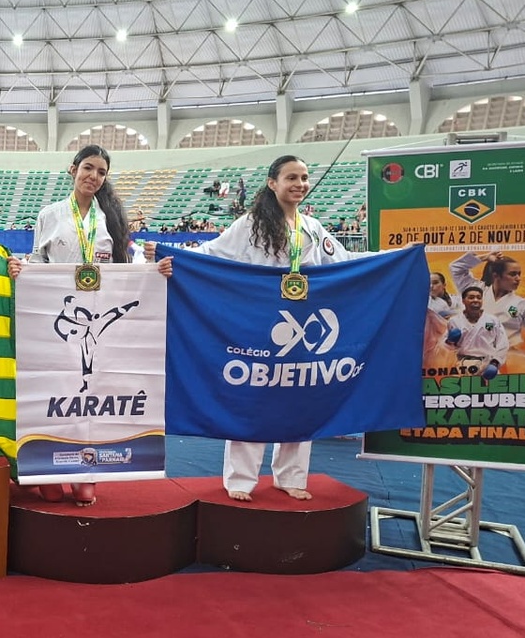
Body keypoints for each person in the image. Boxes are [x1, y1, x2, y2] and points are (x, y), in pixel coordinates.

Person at [146, 154, 378, 503]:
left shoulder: (312, 228)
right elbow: (211, 253)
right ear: (272, 183)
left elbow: (344, 261)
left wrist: (394, 256)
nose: (300, 184)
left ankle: (290, 475)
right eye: (291, 178)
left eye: (304, 177)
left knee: (301, 400)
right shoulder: (250, 224)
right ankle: (240, 477)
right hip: (259, 325)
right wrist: (168, 253)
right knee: (251, 399)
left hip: (305, 327)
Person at [8, 145, 172, 506]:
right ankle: (49, 463)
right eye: (88, 168)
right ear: (73, 169)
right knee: (56, 391)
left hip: (98, 321)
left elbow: (124, 273)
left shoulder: (111, 218)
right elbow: (37, 262)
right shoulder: (49, 215)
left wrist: (152, 270)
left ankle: (89, 468)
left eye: (100, 171)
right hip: (58, 322)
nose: (93, 177)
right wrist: (22, 271)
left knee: (92, 393)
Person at [449, 251, 525, 376]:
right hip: (467, 359)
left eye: (519, 274)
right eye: (513, 274)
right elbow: (456, 268)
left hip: (506, 359)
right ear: (496, 276)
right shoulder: (475, 291)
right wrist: (485, 257)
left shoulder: (521, 305)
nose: (518, 278)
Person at [444, 286, 509, 380]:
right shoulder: (454, 321)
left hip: (487, 364)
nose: (475, 300)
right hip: (463, 365)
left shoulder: (492, 320)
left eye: (479, 297)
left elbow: (503, 344)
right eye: (471, 297)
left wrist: (495, 363)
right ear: (463, 301)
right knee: (461, 393)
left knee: (492, 393)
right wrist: (449, 341)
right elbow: (445, 347)